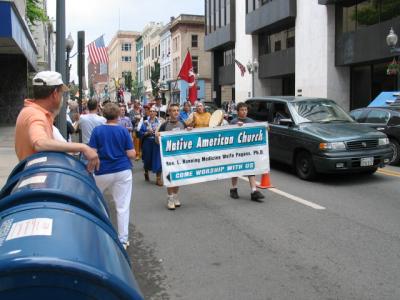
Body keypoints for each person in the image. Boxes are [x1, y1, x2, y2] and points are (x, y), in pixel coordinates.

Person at [15, 71, 99, 172]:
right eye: (61, 93)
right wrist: (83, 147)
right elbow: (40, 143)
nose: (62, 98)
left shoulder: (31, 111)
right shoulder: (35, 115)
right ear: (55, 94)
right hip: (37, 177)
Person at [88, 102, 136, 250]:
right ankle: (123, 240)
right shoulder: (123, 131)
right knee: (122, 207)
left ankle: (101, 235)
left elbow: (92, 152)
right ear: (118, 115)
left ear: (104, 115)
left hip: (102, 171)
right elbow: (131, 154)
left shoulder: (97, 131)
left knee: (97, 203)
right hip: (122, 170)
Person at [229, 102, 265, 202]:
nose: (244, 112)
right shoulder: (233, 122)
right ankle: (234, 188)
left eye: (245, 110)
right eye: (242, 110)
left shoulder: (251, 121)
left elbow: (259, 130)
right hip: (236, 150)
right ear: (237, 111)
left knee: (250, 168)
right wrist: (236, 127)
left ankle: (254, 190)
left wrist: (265, 128)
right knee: (235, 169)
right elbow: (228, 135)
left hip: (247, 151)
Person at [157, 103, 186, 210]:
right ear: (169, 112)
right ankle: (170, 198)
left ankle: (175, 196)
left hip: (180, 155)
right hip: (168, 157)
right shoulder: (164, 125)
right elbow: (157, 141)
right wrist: (158, 136)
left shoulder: (183, 124)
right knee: (170, 177)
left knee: (178, 177)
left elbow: (188, 138)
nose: (176, 112)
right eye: (173, 110)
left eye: (177, 110)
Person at [138, 106, 163, 186]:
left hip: (157, 143)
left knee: (158, 160)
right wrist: (146, 133)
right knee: (147, 159)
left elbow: (164, 130)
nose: (152, 112)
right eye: (151, 111)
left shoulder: (160, 122)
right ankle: (146, 172)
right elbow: (140, 133)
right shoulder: (145, 122)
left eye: (153, 111)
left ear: (156, 113)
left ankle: (158, 179)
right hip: (147, 142)